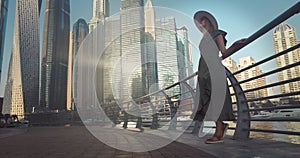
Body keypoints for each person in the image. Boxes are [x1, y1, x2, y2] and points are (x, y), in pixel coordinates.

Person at [192, 11, 246, 144]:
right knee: (208, 101)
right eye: (199, 22)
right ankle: (221, 127)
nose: (200, 24)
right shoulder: (204, 38)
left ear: (208, 22)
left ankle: (219, 133)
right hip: (203, 72)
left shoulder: (218, 34)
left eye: (203, 21)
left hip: (214, 70)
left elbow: (224, 52)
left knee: (216, 100)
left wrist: (236, 44)